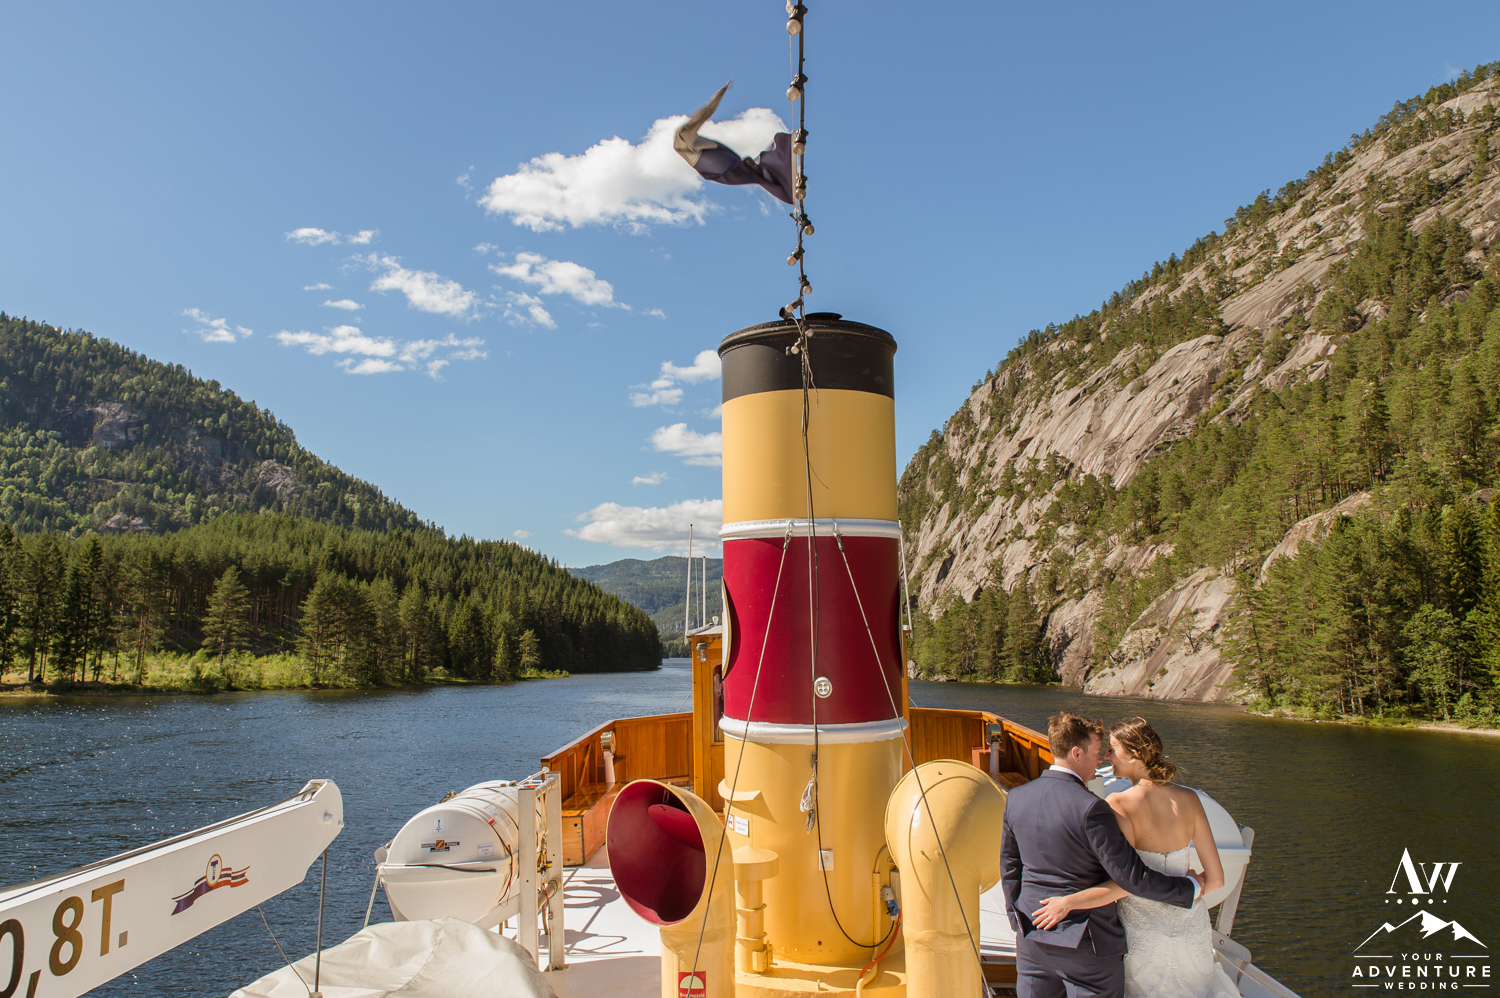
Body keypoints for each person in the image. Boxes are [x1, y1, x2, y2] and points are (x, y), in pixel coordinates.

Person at [1029, 717, 1240, 998]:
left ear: (1134, 755)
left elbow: (1124, 884)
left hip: (1143, 934)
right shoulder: (1190, 799)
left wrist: (1069, 902)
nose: (1106, 756)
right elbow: (1216, 881)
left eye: (1112, 749)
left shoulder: (1117, 805)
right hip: (1191, 929)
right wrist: (1194, 884)